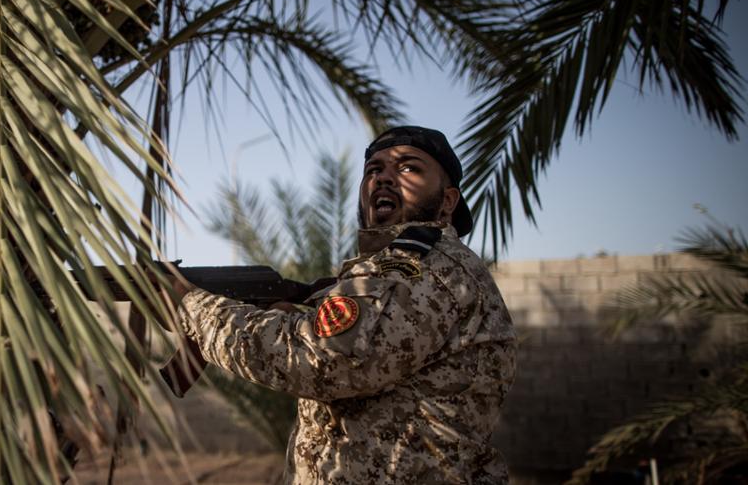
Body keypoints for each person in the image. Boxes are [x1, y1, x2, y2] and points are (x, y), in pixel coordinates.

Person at [170, 126, 517, 484]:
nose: (383, 178)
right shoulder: (404, 266)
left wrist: (193, 306)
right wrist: (298, 317)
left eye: (408, 168)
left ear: (447, 201)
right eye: (373, 170)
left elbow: (324, 359)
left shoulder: (421, 265)